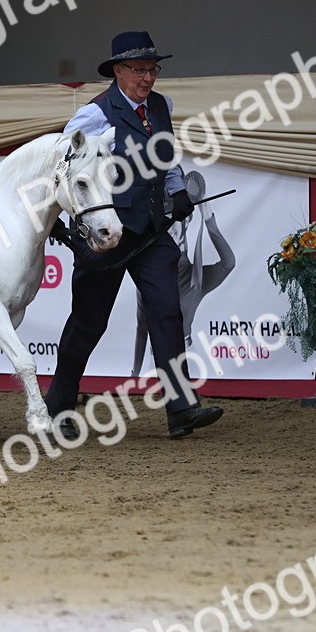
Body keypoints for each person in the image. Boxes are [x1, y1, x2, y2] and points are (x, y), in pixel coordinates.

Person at [46, 30, 224, 440]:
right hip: (106, 234)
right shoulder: (95, 115)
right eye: (140, 70)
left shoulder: (161, 106)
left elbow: (166, 154)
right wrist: (63, 214)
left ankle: (181, 408)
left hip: (150, 230)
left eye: (152, 70)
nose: (148, 78)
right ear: (119, 71)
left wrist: (177, 191)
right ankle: (57, 409)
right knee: (89, 323)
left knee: (167, 312)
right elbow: (63, 165)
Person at [131, 170, 237, 376]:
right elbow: (142, 328)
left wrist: (207, 216)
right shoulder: (148, 277)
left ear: (186, 223)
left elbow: (228, 263)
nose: (170, 227)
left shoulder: (196, 278)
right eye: (164, 220)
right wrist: (134, 373)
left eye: (174, 219)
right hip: (156, 359)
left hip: (188, 357)